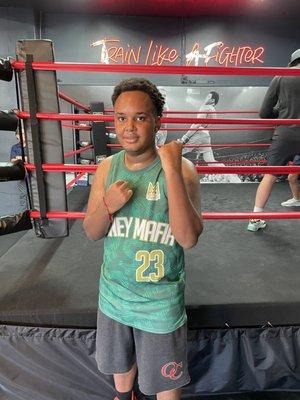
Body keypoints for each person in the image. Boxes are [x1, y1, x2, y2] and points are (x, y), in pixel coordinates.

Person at [83, 78, 203, 400]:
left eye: (140, 117)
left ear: (157, 120)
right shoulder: (107, 168)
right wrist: (108, 205)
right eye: (121, 118)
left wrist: (172, 170)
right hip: (114, 297)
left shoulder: (185, 170)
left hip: (160, 306)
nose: (129, 127)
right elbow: (91, 232)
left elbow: (188, 238)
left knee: (165, 390)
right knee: (121, 376)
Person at [247, 49, 300, 231]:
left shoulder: (281, 76)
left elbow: (264, 112)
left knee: (269, 175)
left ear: (291, 61)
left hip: (285, 134)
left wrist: (281, 113)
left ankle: (255, 219)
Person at [180, 91, 219, 163]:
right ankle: (226, 174)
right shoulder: (214, 111)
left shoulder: (205, 107)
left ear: (212, 100)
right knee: (210, 160)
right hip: (206, 135)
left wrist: (185, 137)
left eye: (208, 96)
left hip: (199, 134)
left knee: (177, 151)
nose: (206, 98)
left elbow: (197, 124)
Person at [10, 128, 29, 212]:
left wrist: (19, 158)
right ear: (17, 136)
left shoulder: (31, 147)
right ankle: (25, 216)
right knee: (23, 195)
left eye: (24, 133)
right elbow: (12, 161)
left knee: (35, 196)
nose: (24, 135)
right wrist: (24, 158)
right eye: (21, 133)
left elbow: (32, 159)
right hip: (22, 174)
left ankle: (37, 216)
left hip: (34, 174)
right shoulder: (14, 147)